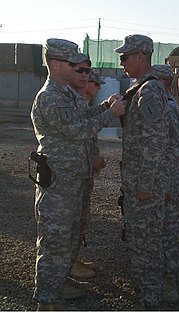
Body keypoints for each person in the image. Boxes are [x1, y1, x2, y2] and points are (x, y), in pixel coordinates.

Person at [30, 38, 126, 311]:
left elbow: (83, 118)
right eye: (73, 64)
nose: (79, 70)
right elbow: (79, 131)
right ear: (56, 64)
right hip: (59, 183)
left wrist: (105, 106)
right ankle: (47, 301)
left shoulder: (67, 93)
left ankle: (59, 283)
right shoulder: (49, 97)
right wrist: (111, 115)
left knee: (71, 236)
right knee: (54, 243)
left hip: (74, 179)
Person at [114, 34, 170, 310]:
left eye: (125, 57)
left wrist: (145, 183)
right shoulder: (139, 88)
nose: (121, 61)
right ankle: (146, 294)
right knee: (138, 240)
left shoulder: (149, 92)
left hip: (144, 187)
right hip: (137, 182)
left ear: (140, 57)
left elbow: (155, 142)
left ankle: (150, 300)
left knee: (146, 245)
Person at [152, 64, 179, 302]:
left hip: (168, 179)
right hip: (166, 177)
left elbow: (169, 149)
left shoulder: (166, 106)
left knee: (167, 231)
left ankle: (169, 281)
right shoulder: (166, 103)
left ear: (161, 82)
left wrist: (165, 185)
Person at [69, 68, 107, 280]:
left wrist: (106, 106)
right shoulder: (75, 103)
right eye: (96, 83)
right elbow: (78, 136)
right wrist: (91, 159)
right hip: (76, 172)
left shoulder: (82, 104)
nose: (99, 87)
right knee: (73, 221)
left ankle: (73, 259)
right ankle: (69, 264)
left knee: (81, 219)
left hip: (85, 172)